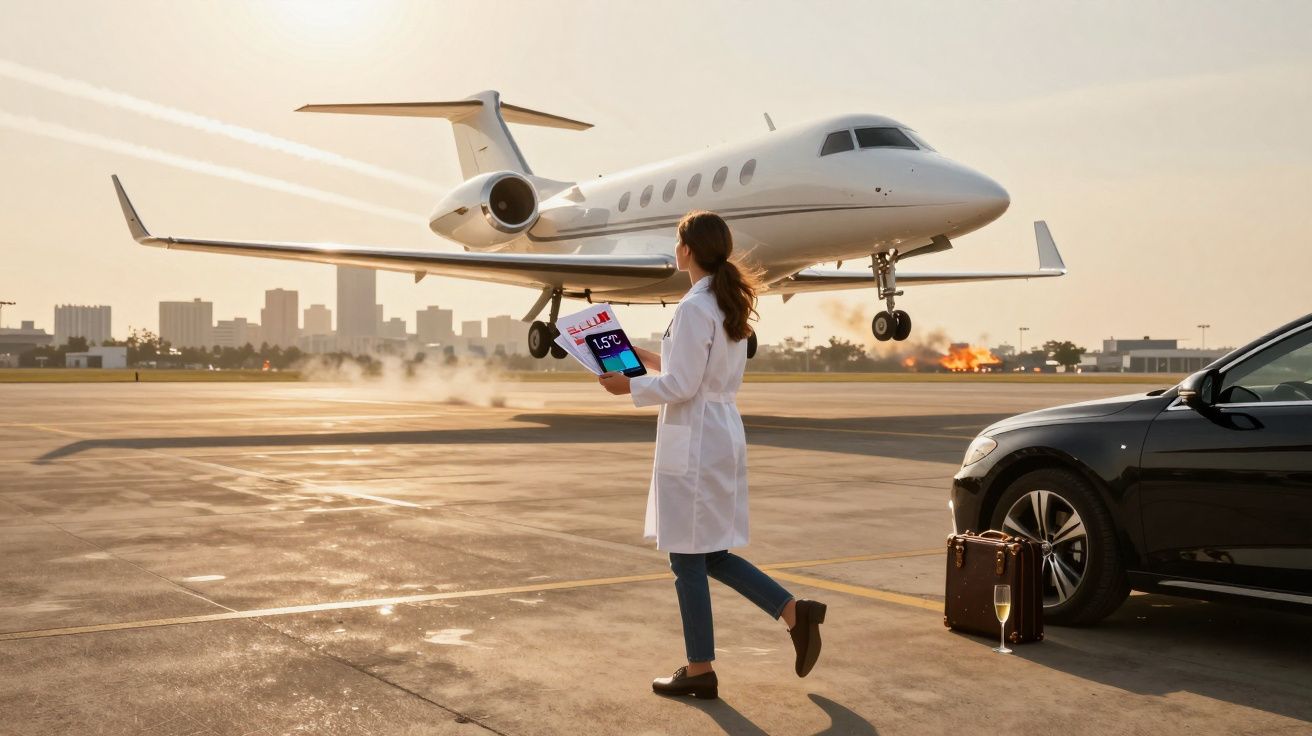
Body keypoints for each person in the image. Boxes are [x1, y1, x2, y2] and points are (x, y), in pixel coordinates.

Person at [598, 210, 827, 700]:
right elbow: (694, 371)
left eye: (677, 242)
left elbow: (681, 385)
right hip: (718, 432)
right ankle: (793, 612)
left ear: (687, 250)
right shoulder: (723, 303)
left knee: (687, 557)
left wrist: (628, 387)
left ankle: (699, 668)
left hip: (696, 438)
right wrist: (647, 358)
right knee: (712, 553)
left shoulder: (693, 307)